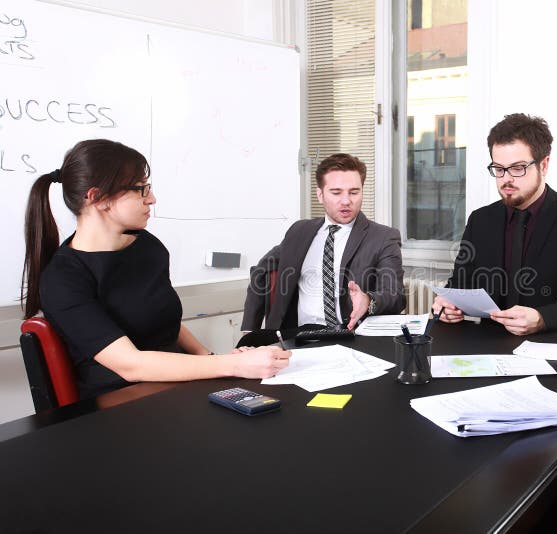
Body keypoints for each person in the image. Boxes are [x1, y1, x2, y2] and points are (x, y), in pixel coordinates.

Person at [21, 139, 291, 400]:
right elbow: (131, 365)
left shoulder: (147, 246)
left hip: (176, 386)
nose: (151, 199)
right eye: (140, 189)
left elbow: (165, 322)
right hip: (120, 403)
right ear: (98, 198)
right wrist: (232, 366)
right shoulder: (62, 279)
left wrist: (211, 357)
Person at [433, 113, 557, 334]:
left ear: (544, 165)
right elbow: (459, 283)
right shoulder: (480, 220)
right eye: (498, 169)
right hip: (487, 346)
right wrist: (446, 304)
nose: (506, 179)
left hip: (550, 346)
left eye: (517, 168)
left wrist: (542, 319)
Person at [240, 153, 405, 344]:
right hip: (296, 338)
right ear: (320, 195)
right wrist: (249, 330)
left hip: (351, 339)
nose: (346, 201)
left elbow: (395, 295)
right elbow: (262, 270)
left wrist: (368, 300)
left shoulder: (383, 237)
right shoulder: (299, 231)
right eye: (336, 193)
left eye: (354, 192)